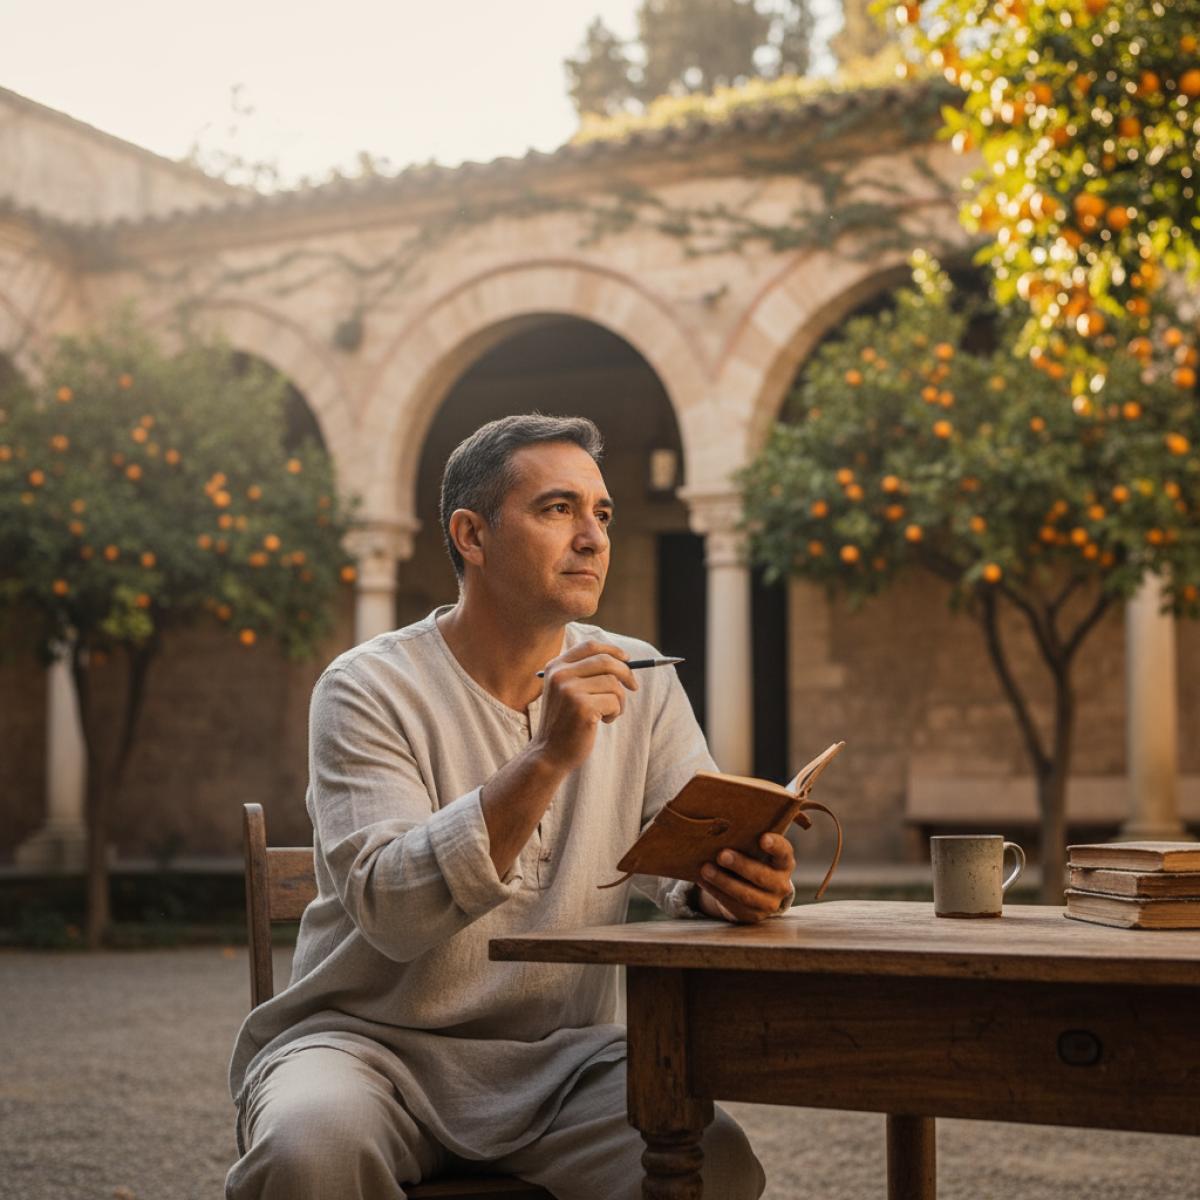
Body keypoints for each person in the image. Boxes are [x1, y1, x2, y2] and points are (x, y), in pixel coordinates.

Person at [225, 413, 795, 1200]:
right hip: (367, 1049)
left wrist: (727, 882)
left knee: (718, 1161)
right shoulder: (366, 688)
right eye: (558, 509)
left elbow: (682, 858)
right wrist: (548, 757)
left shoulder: (641, 675)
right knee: (309, 1152)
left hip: (566, 1062)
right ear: (472, 533)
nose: (593, 537)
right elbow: (392, 911)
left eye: (602, 514)